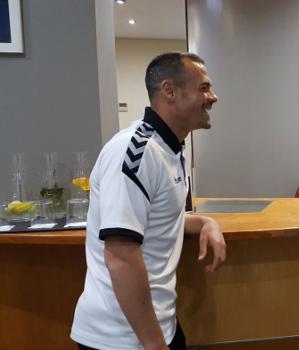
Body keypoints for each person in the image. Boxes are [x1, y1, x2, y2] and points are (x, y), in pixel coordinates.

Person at [71, 52, 226, 350]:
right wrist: (154, 345)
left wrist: (206, 221)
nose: (213, 97)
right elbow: (120, 256)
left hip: (157, 327)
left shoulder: (170, 148)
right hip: (121, 339)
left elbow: (158, 219)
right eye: (204, 88)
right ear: (169, 91)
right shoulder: (134, 152)